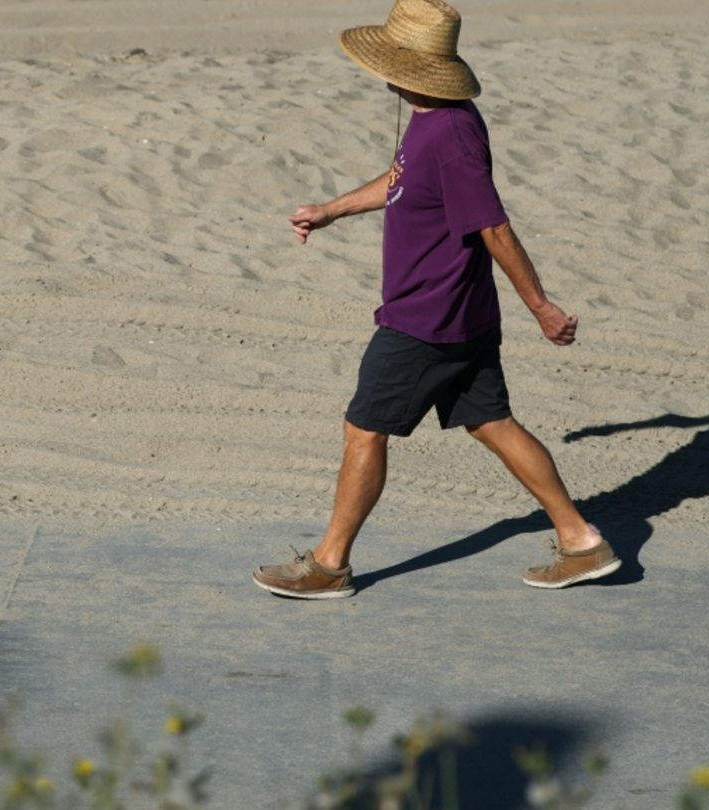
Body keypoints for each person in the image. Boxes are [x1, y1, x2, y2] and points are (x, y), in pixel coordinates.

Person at [251, 0, 619, 599]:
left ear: (405, 68)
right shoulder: (442, 119)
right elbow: (402, 183)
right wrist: (331, 210)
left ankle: (329, 565)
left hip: (426, 318)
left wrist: (542, 307)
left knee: (364, 430)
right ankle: (581, 541)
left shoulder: (449, 137)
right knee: (493, 423)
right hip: (462, 313)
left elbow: (494, 228)